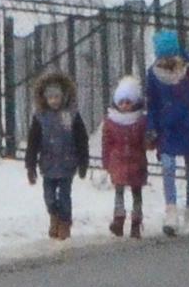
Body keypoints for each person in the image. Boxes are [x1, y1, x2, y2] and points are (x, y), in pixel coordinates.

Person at [137, 30, 189, 227]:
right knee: (168, 166)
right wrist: (152, 127)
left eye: (169, 54)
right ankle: (171, 211)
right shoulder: (154, 74)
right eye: (162, 55)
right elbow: (152, 103)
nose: (166, 60)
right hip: (168, 128)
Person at [17, 72, 86, 241]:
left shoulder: (71, 115)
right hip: (48, 165)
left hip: (67, 164)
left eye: (57, 97)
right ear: (45, 99)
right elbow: (33, 143)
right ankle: (53, 217)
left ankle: (64, 222)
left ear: (63, 97)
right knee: (49, 196)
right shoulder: (40, 118)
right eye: (51, 98)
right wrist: (30, 166)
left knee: (64, 196)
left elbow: (81, 139)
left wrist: (83, 162)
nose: (54, 101)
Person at [96, 55, 155, 235]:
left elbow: (146, 143)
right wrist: (106, 162)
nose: (125, 105)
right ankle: (119, 219)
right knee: (119, 192)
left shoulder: (141, 121)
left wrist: (150, 141)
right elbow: (107, 143)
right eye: (121, 101)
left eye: (128, 102)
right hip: (118, 162)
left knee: (137, 193)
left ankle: (136, 221)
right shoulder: (111, 122)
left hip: (136, 162)